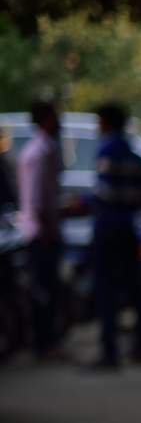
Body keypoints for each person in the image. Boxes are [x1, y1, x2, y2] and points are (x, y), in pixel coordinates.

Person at [88, 103, 141, 369]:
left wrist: (82, 202)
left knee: (106, 291)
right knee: (134, 288)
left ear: (106, 122)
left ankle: (110, 352)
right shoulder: (133, 154)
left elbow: (103, 193)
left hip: (108, 229)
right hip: (128, 230)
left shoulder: (107, 150)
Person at [17, 101, 65, 361]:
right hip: (41, 233)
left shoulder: (43, 149)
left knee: (48, 289)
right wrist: (47, 229)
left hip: (43, 230)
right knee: (44, 290)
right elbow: (37, 200)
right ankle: (43, 344)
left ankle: (47, 342)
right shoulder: (40, 153)